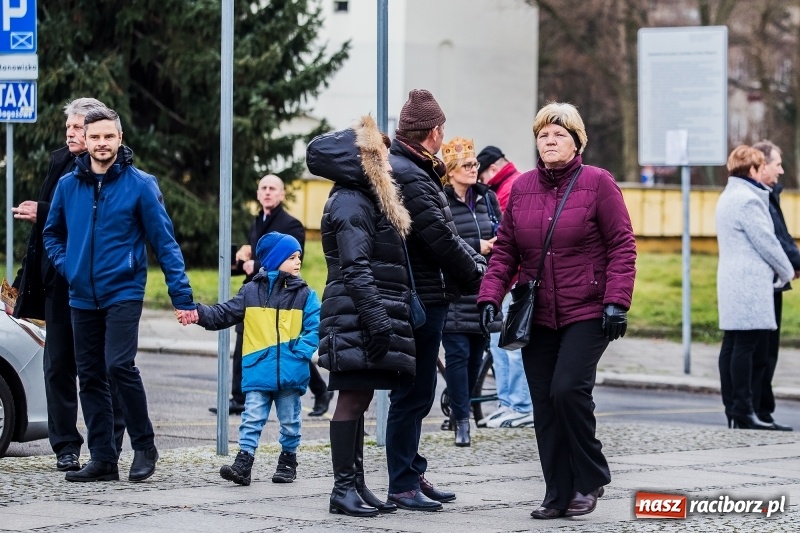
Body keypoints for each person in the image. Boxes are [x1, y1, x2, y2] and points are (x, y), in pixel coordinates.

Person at [478, 102, 636, 519]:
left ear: (577, 141)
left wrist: (617, 301)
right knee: (544, 403)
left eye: (559, 134)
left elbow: (622, 245)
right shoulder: (523, 188)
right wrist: (489, 296)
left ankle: (589, 478)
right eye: (543, 134)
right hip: (538, 312)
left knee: (568, 390)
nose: (550, 140)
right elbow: (506, 250)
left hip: (588, 310)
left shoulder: (598, 183)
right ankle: (556, 491)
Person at [43, 107, 198, 482]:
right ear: (87, 140)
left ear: (119, 139)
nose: (101, 143)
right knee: (91, 375)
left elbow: (166, 243)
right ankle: (103, 458)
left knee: (118, 366)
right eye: (94, 137)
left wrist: (182, 296)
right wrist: (70, 267)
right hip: (81, 294)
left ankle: (145, 446)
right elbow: (52, 233)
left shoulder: (141, 185)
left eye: (108, 137)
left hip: (123, 291)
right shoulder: (68, 185)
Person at [307, 115, 416, 517]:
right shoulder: (352, 200)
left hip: (358, 313)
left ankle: (357, 483)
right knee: (351, 398)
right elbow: (355, 268)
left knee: (362, 394)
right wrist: (377, 319)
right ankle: (342, 489)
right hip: (354, 313)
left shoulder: (361, 196)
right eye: (382, 155)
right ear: (362, 161)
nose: (389, 162)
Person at [10, 98, 125, 472]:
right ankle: (65, 446)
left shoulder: (116, 167)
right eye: (70, 129)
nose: (73, 135)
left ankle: (107, 446)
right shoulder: (60, 161)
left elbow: (97, 218)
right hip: (59, 282)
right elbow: (50, 232)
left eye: (79, 129)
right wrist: (21, 286)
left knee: (106, 367)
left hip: (101, 285)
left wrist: (41, 212)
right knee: (57, 365)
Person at [385, 89, 486, 511]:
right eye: (440, 127)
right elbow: (440, 238)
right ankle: (402, 483)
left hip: (426, 292)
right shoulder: (411, 172)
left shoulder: (416, 167)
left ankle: (412, 471)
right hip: (422, 296)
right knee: (412, 394)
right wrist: (478, 270)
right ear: (433, 131)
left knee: (420, 392)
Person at [181, 232, 320, 486]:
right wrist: (197, 313)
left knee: (290, 422)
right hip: (258, 370)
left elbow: (315, 327)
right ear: (274, 260)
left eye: (299, 256)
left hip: (291, 372)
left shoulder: (305, 295)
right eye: (291, 257)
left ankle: (288, 460)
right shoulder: (250, 292)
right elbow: (222, 314)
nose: (298, 261)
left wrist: (300, 350)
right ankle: (244, 462)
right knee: (251, 418)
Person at [211, 174, 315, 416]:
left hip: (282, 296)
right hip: (255, 293)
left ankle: (320, 392)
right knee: (243, 346)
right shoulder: (258, 220)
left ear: (281, 194)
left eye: (272, 188)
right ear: (258, 194)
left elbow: (294, 261)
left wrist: (255, 264)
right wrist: (243, 260)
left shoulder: (291, 225)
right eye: (263, 188)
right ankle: (238, 399)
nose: (267, 192)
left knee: (285, 348)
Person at [715, 145, 794, 431]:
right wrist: (786, 272)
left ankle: (736, 410)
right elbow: (768, 243)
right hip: (748, 283)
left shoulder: (729, 196)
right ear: (752, 170)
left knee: (734, 344)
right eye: (761, 167)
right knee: (746, 347)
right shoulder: (749, 200)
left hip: (733, 280)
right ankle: (745, 411)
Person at [440, 136, 502, 446]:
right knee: (458, 355)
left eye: (475, 164)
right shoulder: (441, 200)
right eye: (467, 165)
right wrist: (477, 247)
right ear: (451, 170)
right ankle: (462, 422)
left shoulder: (487, 198)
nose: (473, 170)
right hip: (452, 292)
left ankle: (458, 405)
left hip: (483, 290)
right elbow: (439, 240)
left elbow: (502, 232)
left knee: (475, 360)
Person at [474, 145, 533, 428]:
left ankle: (520, 405)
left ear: (493, 170)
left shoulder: (510, 189)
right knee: (501, 345)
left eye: (481, 175)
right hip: (506, 279)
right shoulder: (503, 187)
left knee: (512, 345)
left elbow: (507, 237)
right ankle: (508, 403)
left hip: (514, 278)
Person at [751, 140, 799, 432]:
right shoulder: (759, 198)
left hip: (774, 280)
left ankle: (762, 410)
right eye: (777, 164)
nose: (781, 170)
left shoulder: (770, 195)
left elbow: (784, 238)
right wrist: (792, 263)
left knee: (768, 352)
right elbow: (774, 242)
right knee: (761, 352)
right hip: (763, 283)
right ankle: (757, 410)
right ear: (762, 165)